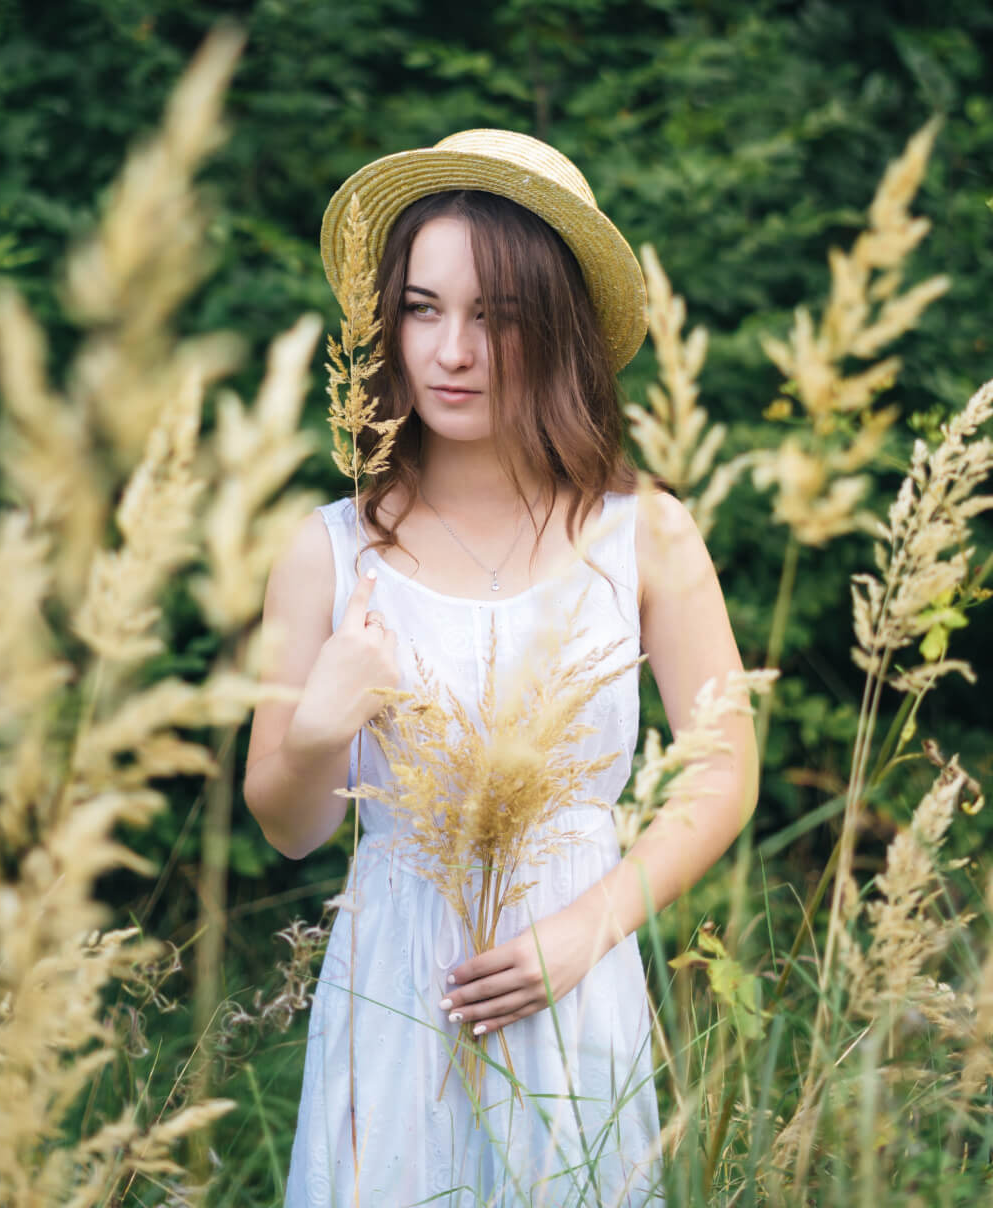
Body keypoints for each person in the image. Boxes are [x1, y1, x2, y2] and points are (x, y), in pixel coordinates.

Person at [243, 129, 758, 1207]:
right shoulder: (328, 551)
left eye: (496, 315)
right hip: (394, 989)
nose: (452, 351)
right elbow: (290, 827)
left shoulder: (644, 534)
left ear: (557, 327)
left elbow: (723, 772)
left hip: (572, 986)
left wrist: (589, 926)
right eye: (422, 308)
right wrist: (318, 728)